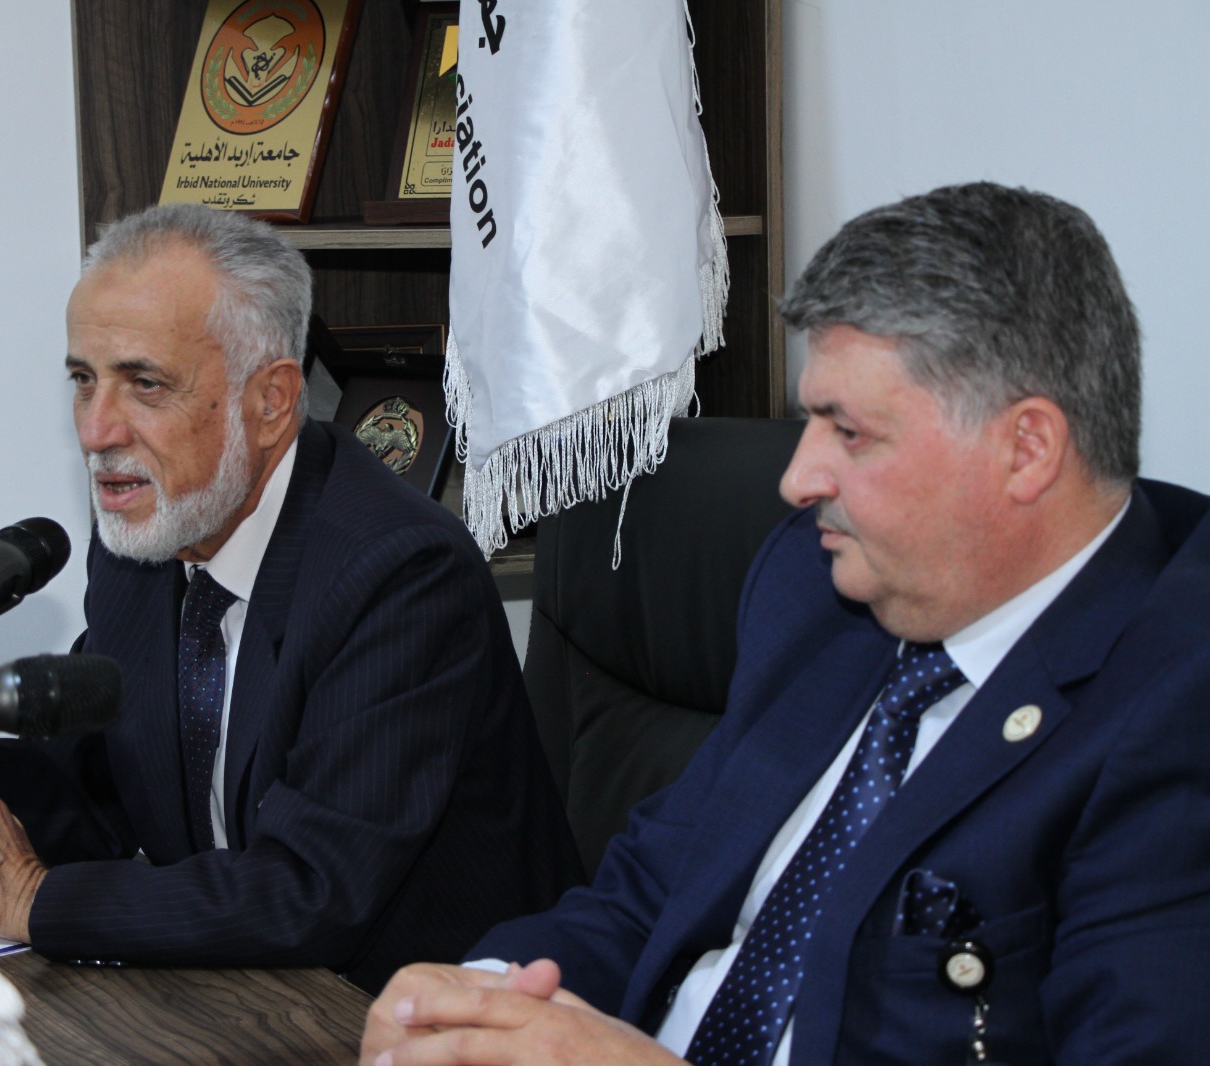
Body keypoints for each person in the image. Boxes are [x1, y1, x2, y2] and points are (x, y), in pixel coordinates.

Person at [359, 182, 1210, 1064]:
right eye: (810, 422)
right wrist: (472, 1004)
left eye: (850, 433)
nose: (797, 481)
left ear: (1026, 449)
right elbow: (649, 892)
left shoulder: (1179, 702)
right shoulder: (817, 583)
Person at [0, 203, 581, 994]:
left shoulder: (398, 573)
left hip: (432, 1010)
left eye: (145, 384)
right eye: (84, 381)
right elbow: (97, 792)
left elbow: (310, 890)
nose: (96, 431)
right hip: (244, 996)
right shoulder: (149, 537)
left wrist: (30, 900)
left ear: (271, 401)